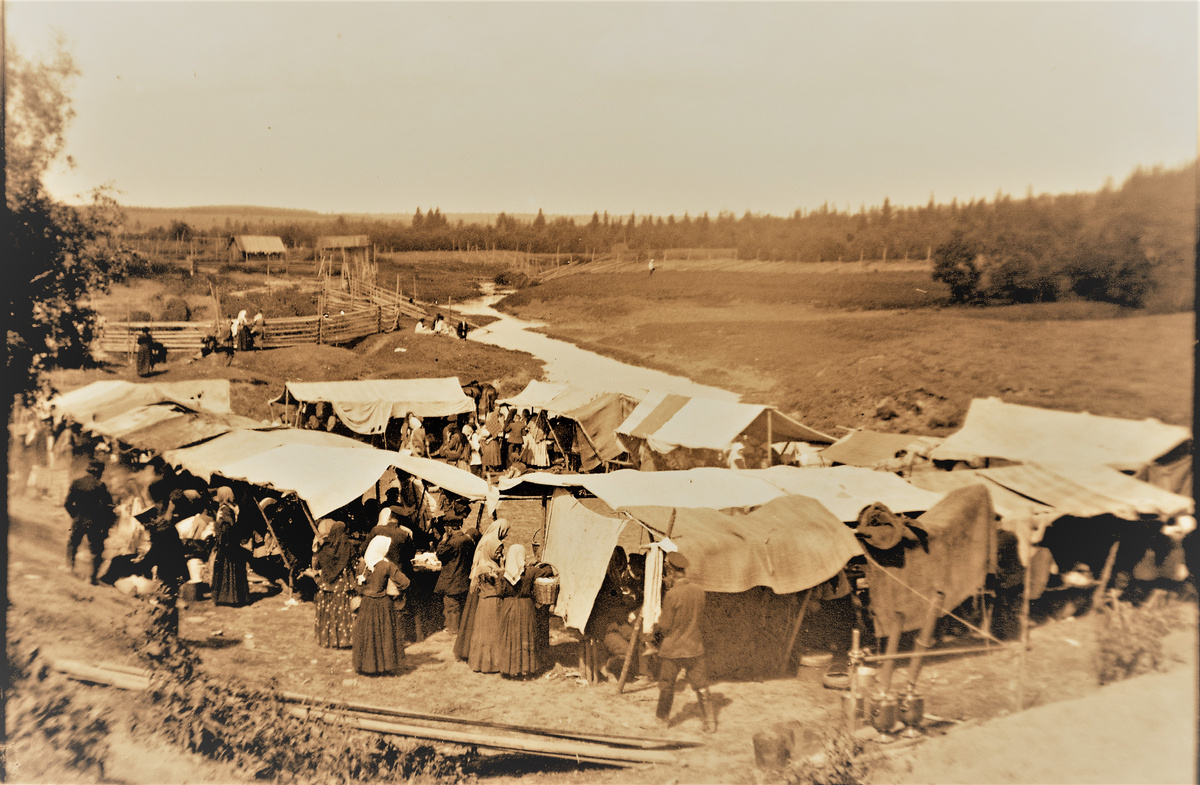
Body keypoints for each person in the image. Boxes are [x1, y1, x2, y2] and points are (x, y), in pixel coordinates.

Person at [652, 552, 715, 732]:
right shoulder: (699, 591)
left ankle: (661, 721)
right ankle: (710, 722)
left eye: (667, 573)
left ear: (671, 571)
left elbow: (665, 625)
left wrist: (656, 627)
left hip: (674, 649)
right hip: (694, 647)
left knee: (667, 684)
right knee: (701, 685)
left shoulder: (672, 594)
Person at [352, 535, 410, 676]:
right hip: (383, 603)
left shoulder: (364, 564)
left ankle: (367, 666)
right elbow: (405, 582)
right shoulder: (387, 565)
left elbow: (357, 587)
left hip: (367, 603)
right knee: (384, 634)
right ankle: (385, 665)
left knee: (369, 634)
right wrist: (394, 591)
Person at [454, 518, 509, 661]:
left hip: (481, 579)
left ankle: (470, 651)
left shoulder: (490, 540)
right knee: (478, 619)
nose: (506, 534)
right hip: (484, 583)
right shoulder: (491, 542)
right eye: (506, 531)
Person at [64, 460, 116, 584]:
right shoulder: (100, 486)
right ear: (99, 472)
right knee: (96, 550)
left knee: (73, 543)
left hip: (79, 519)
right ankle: (92, 577)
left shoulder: (77, 483)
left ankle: (69, 567)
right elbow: (107, 507)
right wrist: (106, 523)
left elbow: (67, 504)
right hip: (95, 521)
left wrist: (75, 515)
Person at [312, 519, 355, 649]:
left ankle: (328, 640)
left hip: (327, 585)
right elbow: (354, 563)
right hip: (342, 584)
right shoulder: (348, 546)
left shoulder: (324, 548)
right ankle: (344, 639)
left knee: (328, 611)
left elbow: (317, 564)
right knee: (342, 611)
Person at [498, 544, 539, 677]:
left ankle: (510, 669)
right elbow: (547, 571)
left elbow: (499, 592)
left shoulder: (503, 574)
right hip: (526, 607)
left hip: (509, 607)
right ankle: (526, 669)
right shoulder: (531, 572)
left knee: (510, 637)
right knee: (525, 636)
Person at [435, 513, 477, 633]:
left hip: (452, 579)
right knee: (460, 605)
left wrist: (443, 540)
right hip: (463, 578)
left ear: (449, 529)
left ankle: (453, 629)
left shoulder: (451, 542)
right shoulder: (468, 540)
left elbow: (440, 554)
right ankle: (459, 627)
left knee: (451, 606)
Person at [211, 486, 250, 607]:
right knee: (232, 570)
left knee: (227, 570)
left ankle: (229, 598)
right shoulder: (232, 507)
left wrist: (220, 539)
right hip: (232, 543)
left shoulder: (225, 509)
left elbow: (227, 527)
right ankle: (234, 597)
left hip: (227, 544)